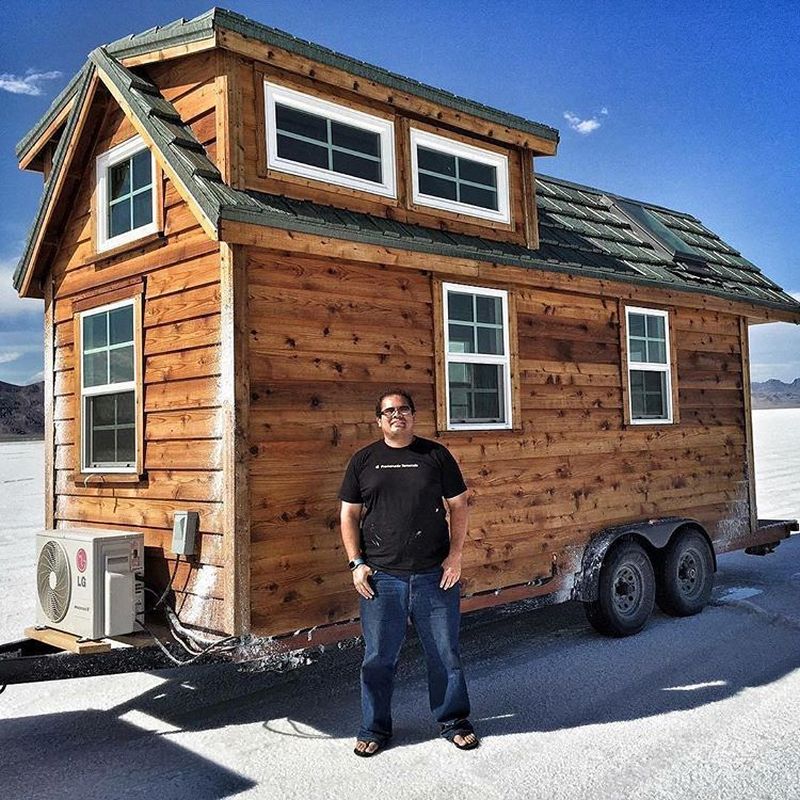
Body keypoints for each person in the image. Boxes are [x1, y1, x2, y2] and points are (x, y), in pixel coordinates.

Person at [338, 388, 478, 757]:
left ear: (413, 416)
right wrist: (356, 563)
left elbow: (459, 506)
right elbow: (348, 515)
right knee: (378, 658)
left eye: (403, 409)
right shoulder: (363, 461)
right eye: (389, 411)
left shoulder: (435, 455)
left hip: (435, 575)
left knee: (445, 654)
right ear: (379, 420)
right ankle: (374, 728)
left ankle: (454, 722)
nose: (396, 415)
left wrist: (456, 555)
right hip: (381, 579)